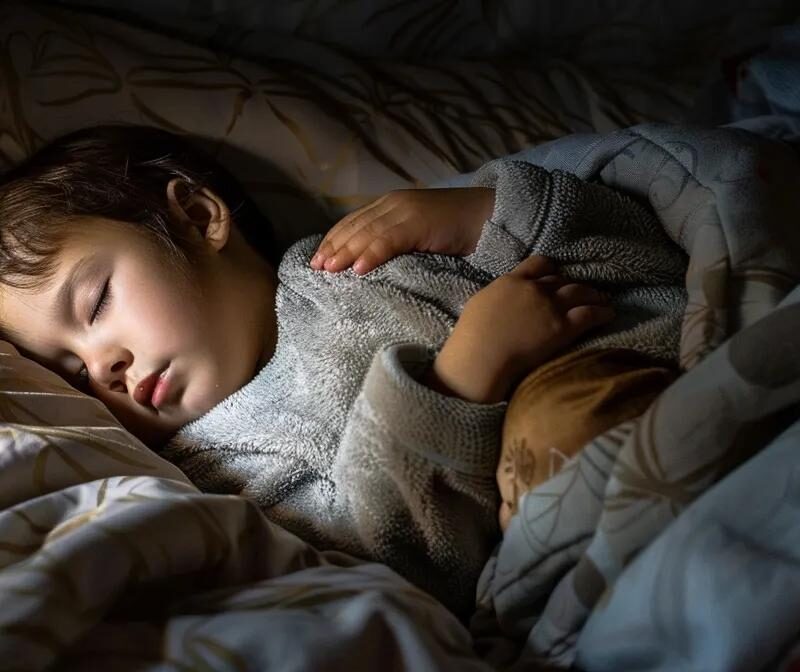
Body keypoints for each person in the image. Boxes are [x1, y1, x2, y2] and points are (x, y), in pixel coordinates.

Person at [0, 124, 614, 617]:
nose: (101, 366)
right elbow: (401, 573)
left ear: (194, 214)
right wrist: (462, 380)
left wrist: (484, 215)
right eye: (72, 374)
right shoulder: (220, 479)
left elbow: (631, 262)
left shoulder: (366, 258)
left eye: (96, 302)